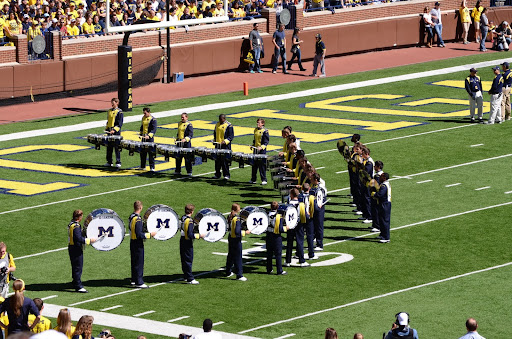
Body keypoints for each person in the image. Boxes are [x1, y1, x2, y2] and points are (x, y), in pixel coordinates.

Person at [129, 201, 157, 289]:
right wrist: (150, 235)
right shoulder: (137, 219)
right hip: (137, 243)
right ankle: (139, 282)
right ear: (140, 207)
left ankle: (134, 279)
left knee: (134, 262)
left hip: (132, 241)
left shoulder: (131, 216)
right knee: (139, 262)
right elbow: (139, 234)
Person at [67, 210, 96, 293]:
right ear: (79, 217)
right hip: (75, 248)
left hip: (72, 247)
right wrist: (90, 240)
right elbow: (78, 239)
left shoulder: (71, 224)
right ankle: (78, 286)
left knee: (75, 267)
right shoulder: (75, 226)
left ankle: (75, 282)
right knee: (78, 267)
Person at [285, 188, 309, 267]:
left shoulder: (287, 204)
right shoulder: (301, 204)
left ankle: (287, 261)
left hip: (290, 225)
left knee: (289, 243)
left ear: (291, 195)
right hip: (298, 225)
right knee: (300, 242)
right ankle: (302, 261)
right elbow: (305, 216)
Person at [225, 203, 249, 281]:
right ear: (237, 209)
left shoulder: (229, 216)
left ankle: (228, 271)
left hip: (230, 237)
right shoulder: (237, 218)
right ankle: (239, 275)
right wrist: (245, 232)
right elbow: (238, 232)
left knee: (231, 255)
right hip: (236, 239)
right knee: (238, 257)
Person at [180, 204, 203, 285]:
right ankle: (190, 278)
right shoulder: (189, 221)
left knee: (184, 259)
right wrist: (199, 236)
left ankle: (186, 275)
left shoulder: (183, 217)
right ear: (192, 211)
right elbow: (189, 234)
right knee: (188, 259)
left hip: (182, 240)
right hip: (187, 241)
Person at [266, 201, 289, 275]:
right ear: (277, 207)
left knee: (269, 253)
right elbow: (280, 229)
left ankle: (269, 269)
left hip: (268, 235)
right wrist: (286, 228)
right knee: (278, 254)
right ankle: (279, 270)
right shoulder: (279, 216)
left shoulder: (266, 215)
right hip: (276, 237)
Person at [213, 114, 234, 180]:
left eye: (221, 119)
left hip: (225, 146)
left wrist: (225, 141)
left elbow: (231, 136)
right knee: (217, 161)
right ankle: (217, 174)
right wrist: (214, 140)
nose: (220, 120)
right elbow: (215, 133)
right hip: (218, 145)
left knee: (225, 161)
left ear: (224, 119)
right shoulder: (217, 124)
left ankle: (226, 175)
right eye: (219, 119)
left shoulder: (229, 125)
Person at [105, 98, 123, 168]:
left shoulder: (119, 112)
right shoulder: (109, 111)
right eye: (111, 103)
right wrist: (107, 128)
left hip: (116, 132)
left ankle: (118, 162)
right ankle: (109, 162)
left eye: (113, 103)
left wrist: (114, 130)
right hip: (109, 131)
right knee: (109, 147)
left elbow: (120, 123)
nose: (112, 104)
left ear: (117, 103)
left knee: (117, 147)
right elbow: (108, 120)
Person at [249, 118, 269, 185]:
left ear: (262, 124)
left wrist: (261, 147)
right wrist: (253, 145)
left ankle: (264, 179)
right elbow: (255, 140)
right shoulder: (255, 130)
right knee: (254, 165)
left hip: (261, 151)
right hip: (255, 150)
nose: (257, 124)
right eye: (257, 122)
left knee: (262, 165)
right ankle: (253, 179)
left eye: (259, 123)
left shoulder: (265, 131)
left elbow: (266, 142)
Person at [374, 172, 391, 243]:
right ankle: (382, 234)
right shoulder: (385, 184)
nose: (379, 177)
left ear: (384, 178)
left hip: (385, 204)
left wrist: (374, 194)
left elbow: (380, 194)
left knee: (384, 221)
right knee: (381, 220)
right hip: (384, 203)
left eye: (381, 176)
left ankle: (386, 237)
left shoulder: (384, 186)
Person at [138, 107, 157, 172]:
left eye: (145, 113)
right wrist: (140, 133)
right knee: (142, 152)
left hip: (149, 138)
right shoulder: (143, 118)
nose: (144, 114)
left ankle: (152, 167)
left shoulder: (153, 119)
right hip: (143, 138)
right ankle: (143, 166)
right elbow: (142, 126)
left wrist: (149, 136)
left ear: (149, 112)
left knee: (151, 153)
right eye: (143, 113)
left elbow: (154, 129)